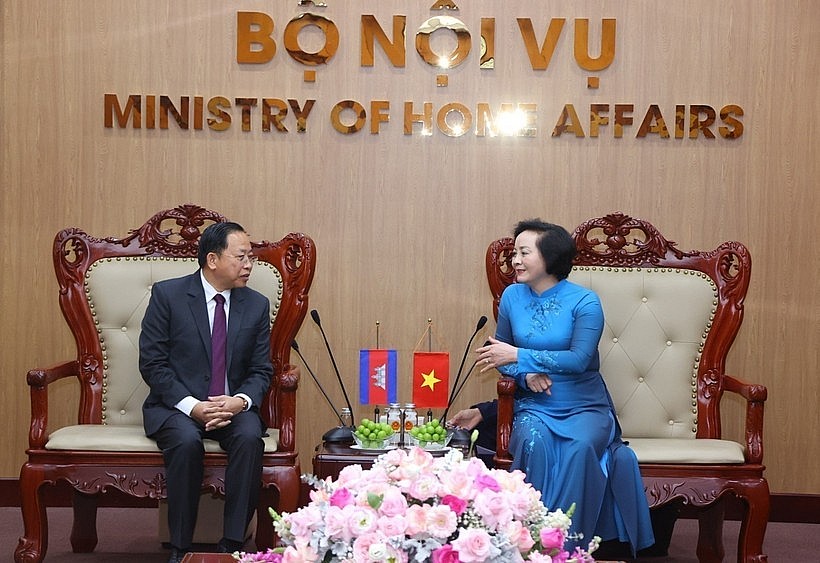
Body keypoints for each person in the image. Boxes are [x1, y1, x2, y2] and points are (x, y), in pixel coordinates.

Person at [472, 219, 655, 558]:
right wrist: (525, 375)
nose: (515, 260)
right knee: (533, 443)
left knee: (581, 448)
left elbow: (580, 359)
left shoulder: (585, 302)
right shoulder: (512, 297)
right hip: (537, 405)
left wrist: (521, 356)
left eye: (524, 253)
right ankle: (526, 545)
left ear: (550, 258)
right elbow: (501, 356)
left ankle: (566, 548)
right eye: (514, 252)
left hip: (586, 406)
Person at [139, 221, 273, 563]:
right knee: (185, 442)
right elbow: (153, 365)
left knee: (248, 438)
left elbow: (261, 370)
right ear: (212, 259)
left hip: (232, 407)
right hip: (176, 407)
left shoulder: (255, 305)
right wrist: (193, 406)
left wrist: (239, 401)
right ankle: (180, 547)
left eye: (251, 258)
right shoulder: (168, 296)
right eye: (241, 256)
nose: (249, 265)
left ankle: (231, 545)